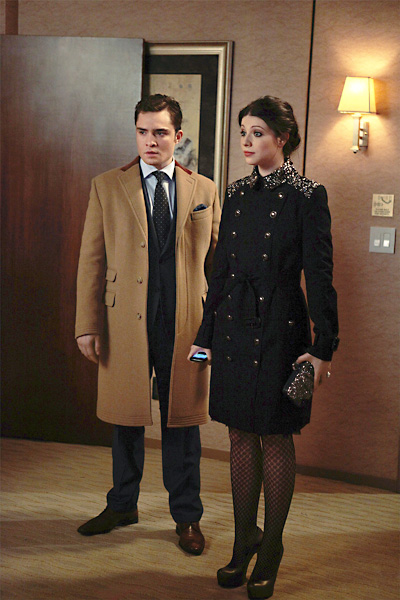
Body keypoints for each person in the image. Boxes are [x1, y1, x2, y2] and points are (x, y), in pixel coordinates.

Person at [189, 95, 339, 597]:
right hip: (234, 326)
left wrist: (324, 347)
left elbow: (319, 276)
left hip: (281, 331)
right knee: (238, 435)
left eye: (257, 132)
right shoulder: (235, 192)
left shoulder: (308, 195)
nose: (247, 141)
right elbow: (220, 270)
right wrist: (205, 337)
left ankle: (271, 546)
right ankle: (243, 540)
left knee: (274, 437)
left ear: (282, 137)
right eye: (243, 133)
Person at [75, 94, 221, 555]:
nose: (150, 140)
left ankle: (187, 518)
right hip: (123, 323)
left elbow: (218, 267)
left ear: (178, 136)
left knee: (184, 423)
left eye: (160, 132)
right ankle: (121, 505)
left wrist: (217, 331)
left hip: (189, 325)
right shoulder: (106, 186)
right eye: (142, 131)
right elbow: (91, 261)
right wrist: (87, 325)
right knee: (125, 420)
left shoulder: (204, 190)